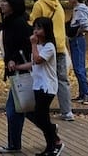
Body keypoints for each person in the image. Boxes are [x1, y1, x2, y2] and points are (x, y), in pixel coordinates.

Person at [18, 17, 64, 156]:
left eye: (39, 28)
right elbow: (32, 64)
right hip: (37, 85)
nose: (36, 31)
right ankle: (50, 143)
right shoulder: (38, 46)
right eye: (35, 28)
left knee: (40, 116)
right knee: (36, 115)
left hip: (47, 86)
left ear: (47, 30)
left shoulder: (49, 46)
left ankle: (56, 142)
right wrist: (18, 66)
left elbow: (38, 60)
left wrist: (33, 44)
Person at [31, 0, 74, 122]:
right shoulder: (58, 5)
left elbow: (34, 23)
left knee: (42, 77)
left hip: (45, 46)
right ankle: (67, 111)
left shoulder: (39, 4)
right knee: (62, 79)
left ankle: (41, 110)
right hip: (59, 45)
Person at [0, 0, 32, 154]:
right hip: (15, 71)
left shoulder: (18, 23)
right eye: (1, 0)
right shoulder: (9, 21)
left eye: (5, 1)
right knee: (24, 109)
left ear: (13, 4)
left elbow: (24, 46)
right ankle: (50, 131)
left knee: (14, 109)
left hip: (21, 71)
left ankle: (14, 144)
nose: (1, 4)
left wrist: (14, 60)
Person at [66, 0, 88, 104]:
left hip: (77, 39)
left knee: (79, 67)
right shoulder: (76, 9)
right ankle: (82, 93)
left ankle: (87, 93)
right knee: (78, 67)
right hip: (75, 39)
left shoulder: (80, 9)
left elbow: (85, 26)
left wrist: (77, 32)